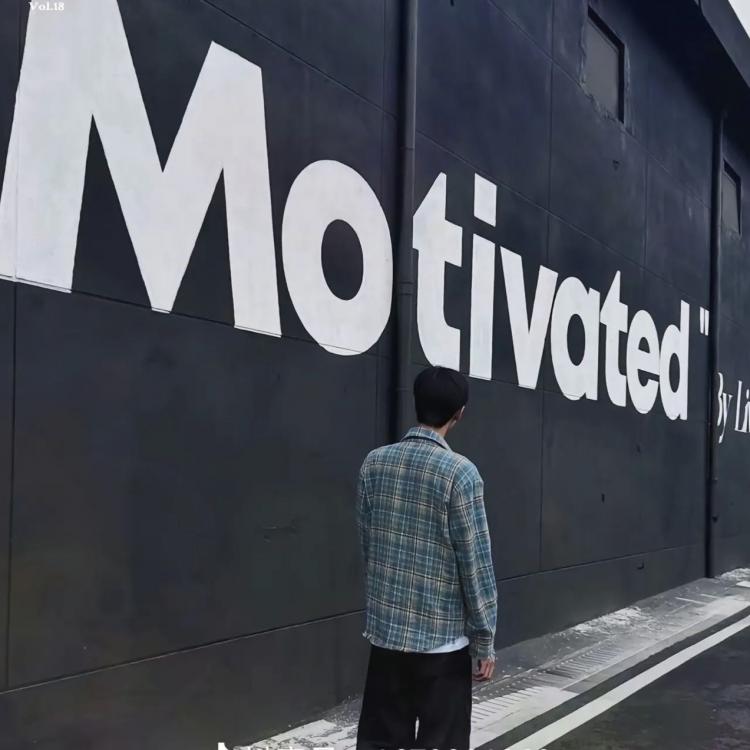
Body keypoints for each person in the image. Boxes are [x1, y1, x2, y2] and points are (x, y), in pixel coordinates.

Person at [355, 366, 498, 750]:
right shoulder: (460, 474)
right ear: (459, 413)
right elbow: (476, 565)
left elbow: (369, 545)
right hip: (442, 646)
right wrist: (484, 641)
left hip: (387, 639)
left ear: (416, 403)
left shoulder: (374, 463)